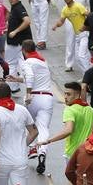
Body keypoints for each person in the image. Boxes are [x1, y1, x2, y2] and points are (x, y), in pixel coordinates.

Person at [34, 81, 93, 185]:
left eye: (68, 94)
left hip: (73, 153)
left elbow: (68, 130)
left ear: (78, 94)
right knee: (87, 181)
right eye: (64, 94)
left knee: (71, 181)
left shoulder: (70, 110)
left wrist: (48, 141)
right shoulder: (90, 110)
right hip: (89, 153)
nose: (65, 97)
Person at [0, 82, 37, 185]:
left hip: (2, 161)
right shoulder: (22, 110)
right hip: (20, 160)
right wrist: (23, 145)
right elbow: (34, 132)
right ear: (10, 93)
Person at [19, 40, 54, 174]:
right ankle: (42, 151)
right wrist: (17, 79)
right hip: (46, 97)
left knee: (30, 127)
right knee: (43, 127)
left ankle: (31, 147)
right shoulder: (43, 62)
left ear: (23, 50)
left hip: (32, 98)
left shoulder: (27, 62)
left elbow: (30, 76)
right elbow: (32, 77)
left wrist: (28, 94)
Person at [52, 0, 89, 72]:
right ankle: (85, 75)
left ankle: (89, 76)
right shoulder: (65, 9)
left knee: (82, 56)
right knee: (77, 58)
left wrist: (87, 27)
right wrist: (55, 26)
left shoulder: (78, 6)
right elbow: (61, 21)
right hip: (77, 36)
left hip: (84, 34)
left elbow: (89, 15)